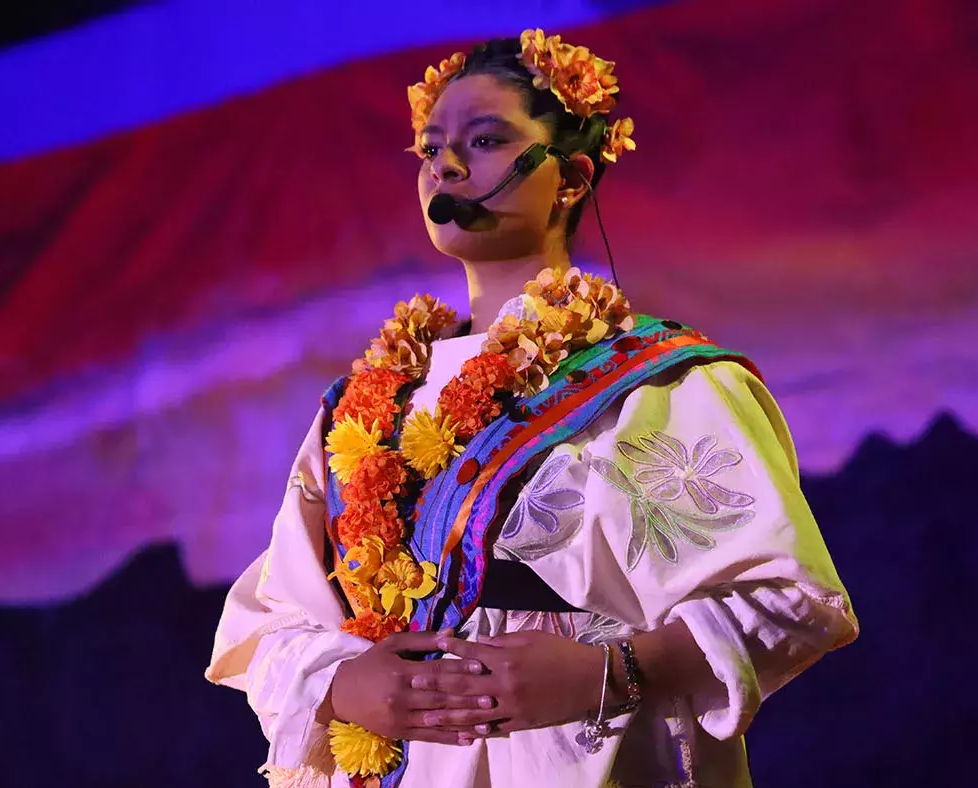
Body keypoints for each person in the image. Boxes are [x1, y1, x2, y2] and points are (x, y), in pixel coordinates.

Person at [206, 30, 857, 788]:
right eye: (430, 148)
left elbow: (789, 600)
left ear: (572, 178)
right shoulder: (360, 409)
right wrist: (344, 682)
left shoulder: (659, 385)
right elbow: (273, 618)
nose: (446, 165)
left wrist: (604, 673)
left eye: (484, 141)